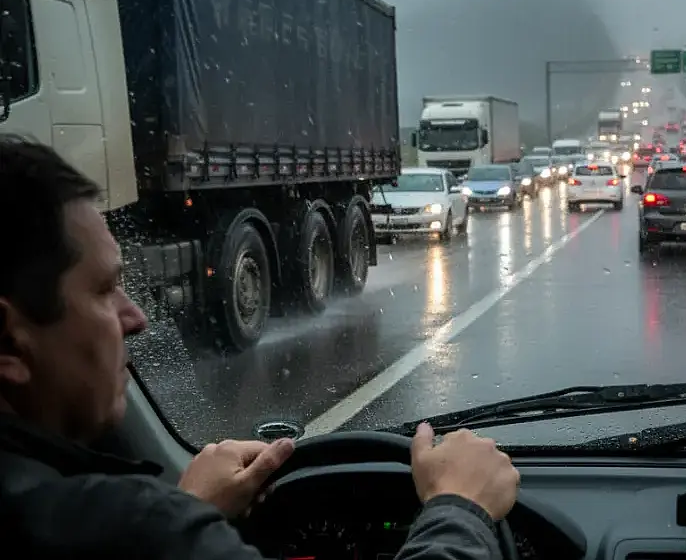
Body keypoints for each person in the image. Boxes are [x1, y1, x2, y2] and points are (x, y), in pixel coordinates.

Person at [0, 135, 520, 558]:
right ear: (8, 342)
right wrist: (459, 510)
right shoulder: (135, 528)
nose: (135, 318)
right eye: (102, 288)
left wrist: (188, 507)